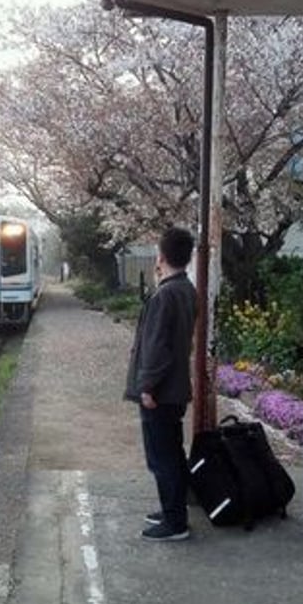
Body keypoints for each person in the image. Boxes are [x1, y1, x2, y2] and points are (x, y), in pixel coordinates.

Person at [124, 226, 197, 541]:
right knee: (173, 453)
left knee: (161, 457)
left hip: (161, 392)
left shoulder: (164, 295)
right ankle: (173, 510)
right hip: (176, 388)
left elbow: (156, 348)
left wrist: (147, 387)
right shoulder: (186, 289)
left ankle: (175, 522)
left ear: (161, 257)